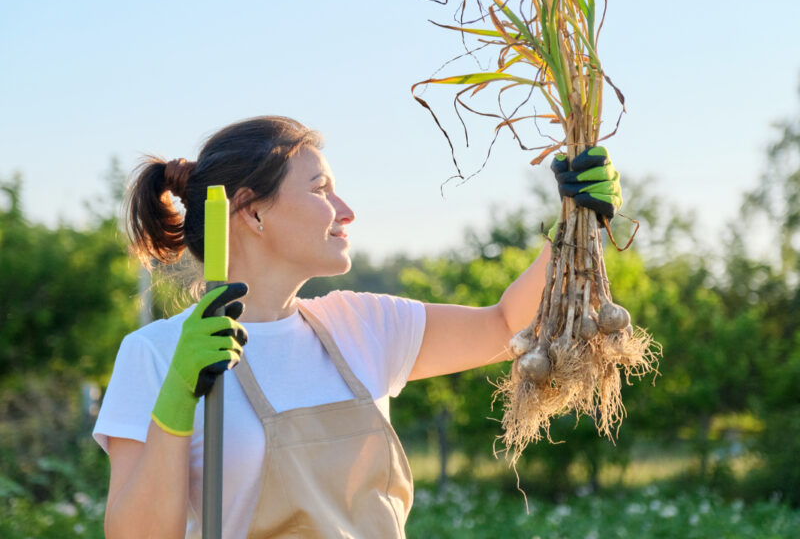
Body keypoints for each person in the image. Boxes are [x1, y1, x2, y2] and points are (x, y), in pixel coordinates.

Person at [93, 115, 622, 539]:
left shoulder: (359, 324)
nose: (346, 211)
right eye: (321, 189)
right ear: (252, 213)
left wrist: (577, 226)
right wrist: (178, 396)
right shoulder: (158, 353)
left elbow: (505, 325)